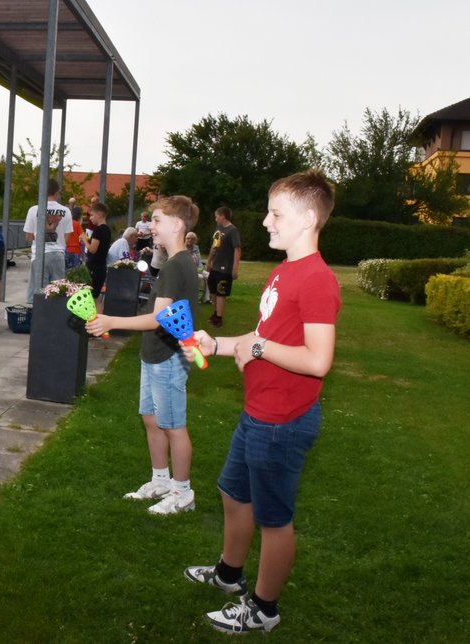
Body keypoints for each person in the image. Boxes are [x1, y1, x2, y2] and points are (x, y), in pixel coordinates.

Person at [183, 171, 340, 634]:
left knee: (274, 520)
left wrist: (256, 350)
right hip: (258, 412)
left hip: (283, 422)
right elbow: (261, 337)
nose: (267, 222)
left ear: (308, 217)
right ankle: (230, 575)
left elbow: (318, 360)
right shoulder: (283, 271)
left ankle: (264, 609)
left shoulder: (316, 280)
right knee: (233, 493)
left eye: (276, 213)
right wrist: (219, 344)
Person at [84, 196, 201, 515]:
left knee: (174, 426)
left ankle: (182, 493)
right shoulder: (172, 261)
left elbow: (160, 317)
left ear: (177, 225)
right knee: (152, 420)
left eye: (158, 220)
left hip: (169, 357)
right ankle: (161, 480)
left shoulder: (179, 264)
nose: (151, 226)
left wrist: (111, 320)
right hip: (153, 354)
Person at [23, 178, 72, 305]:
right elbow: (67, 238)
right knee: (58, 293)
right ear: (57, 192)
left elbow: (29, 237)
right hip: (59, 254)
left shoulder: (33, 210)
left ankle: (39, 322)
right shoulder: (66, 211)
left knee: (39, 294)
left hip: (40, 255)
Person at [206, 206, 241, 328]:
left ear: (223, 216)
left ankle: (219, 319)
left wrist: (235, 268)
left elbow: (237, 249)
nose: (215, 219)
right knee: (214, 292)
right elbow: (214, 245)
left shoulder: (232, 231)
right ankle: (215, 314)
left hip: (225, 268)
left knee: (221, 293)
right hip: (215, 266)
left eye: (217, 216)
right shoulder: (219, 228)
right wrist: (209, 261)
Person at [80, 202, 111, 308]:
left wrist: (84, 240)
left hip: (95, 268)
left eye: (92, 215)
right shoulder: (107, 229)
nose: (90, 218)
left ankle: (94, 322)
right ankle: (99, 321)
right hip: (101, 267)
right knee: (96, 298)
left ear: (99, 214)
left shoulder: (98, 230)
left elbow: (93, 249)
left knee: (91, 298)